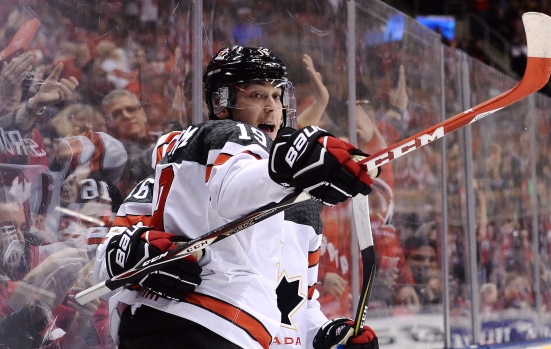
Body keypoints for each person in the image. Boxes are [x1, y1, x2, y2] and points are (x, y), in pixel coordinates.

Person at [94, 45, 378, 349]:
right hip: (192, 326)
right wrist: (131, 253)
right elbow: (104, 261)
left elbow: (299, 308)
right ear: (222, 103)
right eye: (256, 95)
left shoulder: (304, 206)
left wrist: (328, 335)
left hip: (247, 337)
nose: (271, 107)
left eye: (276, 96)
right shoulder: (187, 167)